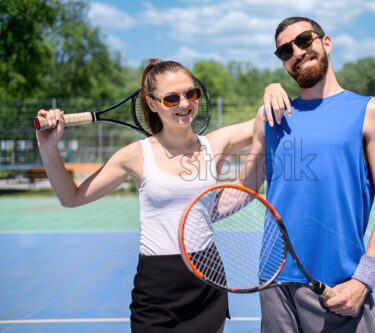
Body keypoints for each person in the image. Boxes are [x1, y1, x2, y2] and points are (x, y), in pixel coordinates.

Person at [35, 59, 280, 333]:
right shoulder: (135, 155)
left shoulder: (215, 144)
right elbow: (72, 197)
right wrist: (48, 148)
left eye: (191, 93)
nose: (184, 104)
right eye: (171, 98)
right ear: (152, 103)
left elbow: (264, 119)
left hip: (208, 279)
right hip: (157, 288)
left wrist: (272, 88)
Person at [238, 17, 375, 332]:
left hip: (339, 287)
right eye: (285, 51)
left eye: (303, 40)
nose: (296, 52)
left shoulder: (370, 111)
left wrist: (362, 280)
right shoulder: (270, 117)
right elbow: (240, 191)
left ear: (326, 42)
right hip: (274, 282)